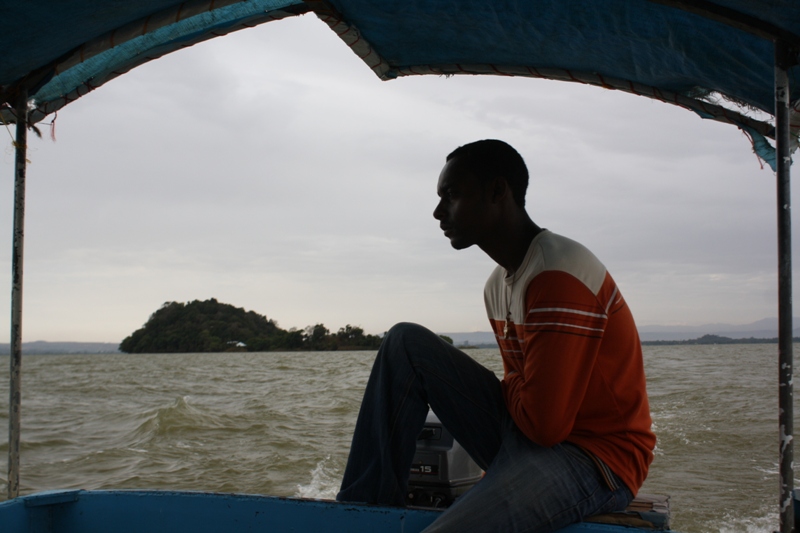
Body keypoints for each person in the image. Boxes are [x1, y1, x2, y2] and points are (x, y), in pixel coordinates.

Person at [336, 139, 656, 532]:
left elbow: (545, 425)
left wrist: (518, 391)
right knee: (404, 343)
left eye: (452, 195)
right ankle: (360, 511)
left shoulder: (557, 275)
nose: (438, 212)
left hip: (596, 459)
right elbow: (523, 396)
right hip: (528, 437)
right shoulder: (497, 286)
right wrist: (520, 391)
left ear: (498, 191)